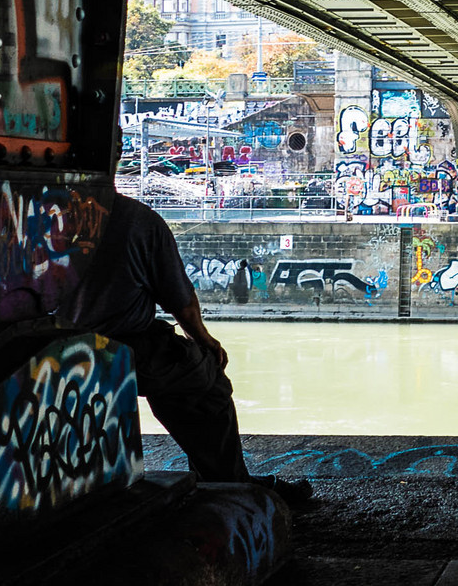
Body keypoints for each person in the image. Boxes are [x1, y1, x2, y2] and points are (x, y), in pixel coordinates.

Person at [65, 192, 313, 504]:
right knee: (206, 381)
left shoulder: (39, 211)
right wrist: (204, 341)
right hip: (120, 346)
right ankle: (228, 485)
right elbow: (180, 301)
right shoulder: (135, 219)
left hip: (55, 346)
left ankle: (224, 476)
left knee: (176, 374)